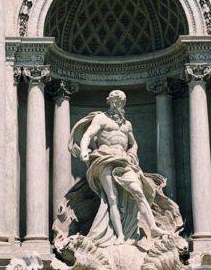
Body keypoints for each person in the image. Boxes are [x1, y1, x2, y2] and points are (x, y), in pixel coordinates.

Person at [70, 91, 165, 245]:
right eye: (114, 101)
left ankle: (153, 227)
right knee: (112, 198)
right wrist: (83, 150)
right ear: (109, 102)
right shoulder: (101, 118)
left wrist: (133, 154)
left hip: (123, 160)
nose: (117, 104)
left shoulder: (127, 124)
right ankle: (120, 235)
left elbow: (133, 143)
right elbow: (87, 135)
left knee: (139, 192)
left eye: (120, 102)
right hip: (104, 158)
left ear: (124, 104)